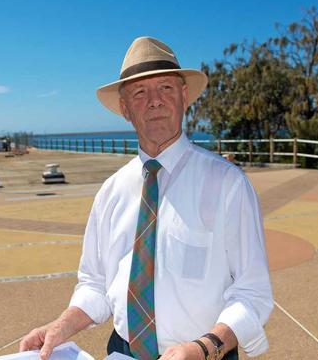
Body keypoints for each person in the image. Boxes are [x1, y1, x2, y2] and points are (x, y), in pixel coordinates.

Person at [19, 36, 273, 360]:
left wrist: (203, 348)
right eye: (140, 92)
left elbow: (254, 293)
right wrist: (60, 326)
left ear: (184, 97)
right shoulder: (110, 192)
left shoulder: (227, 184)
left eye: (165, 88)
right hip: (121, 353)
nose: (155, 101)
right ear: (125, 109)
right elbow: (96, 285)